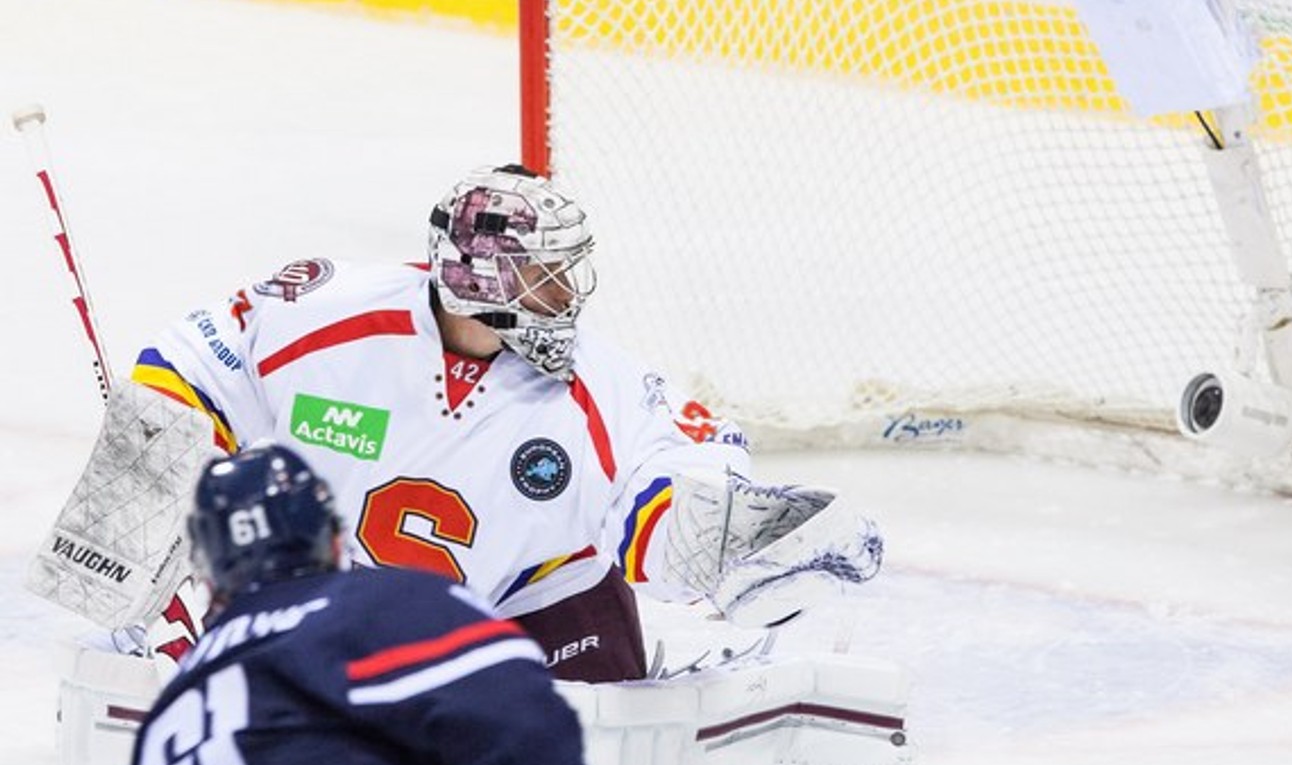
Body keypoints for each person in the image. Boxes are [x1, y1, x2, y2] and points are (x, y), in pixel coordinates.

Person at [63, 163, 880, 686]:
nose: (570, 296)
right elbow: (188, 370)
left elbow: (670, 469)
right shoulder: (328, 314)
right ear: (486, 285)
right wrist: (128, 544)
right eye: (548, 279)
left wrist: (739, 534)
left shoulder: (600, 379)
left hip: (540, 614)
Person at [131, 443, 584, 765]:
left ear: (210, 570)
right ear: (331, 538)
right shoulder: (380, 606)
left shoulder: (169, 712)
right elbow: (529, 723)